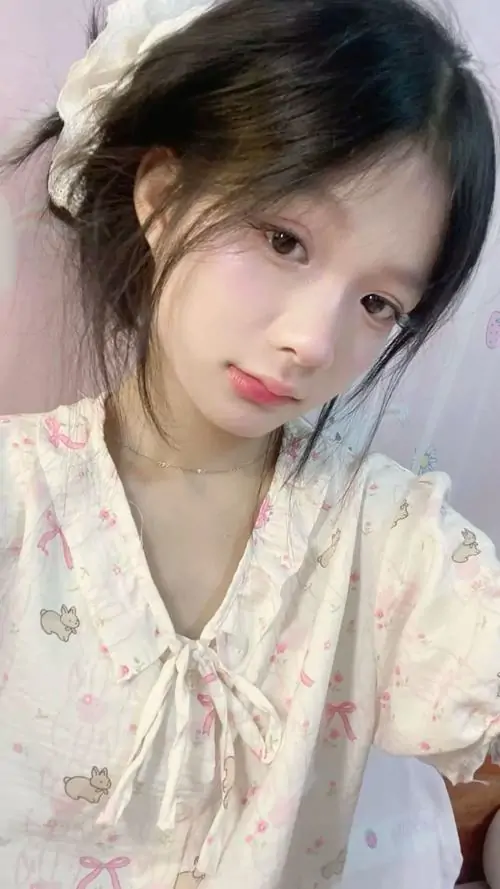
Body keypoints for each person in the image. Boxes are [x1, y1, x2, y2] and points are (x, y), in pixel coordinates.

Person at [0, 0, 498, 886]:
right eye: (282, 239)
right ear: (161, 197)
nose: (312, 341)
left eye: (377, 303)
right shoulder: (15, 496)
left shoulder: (385, 534)